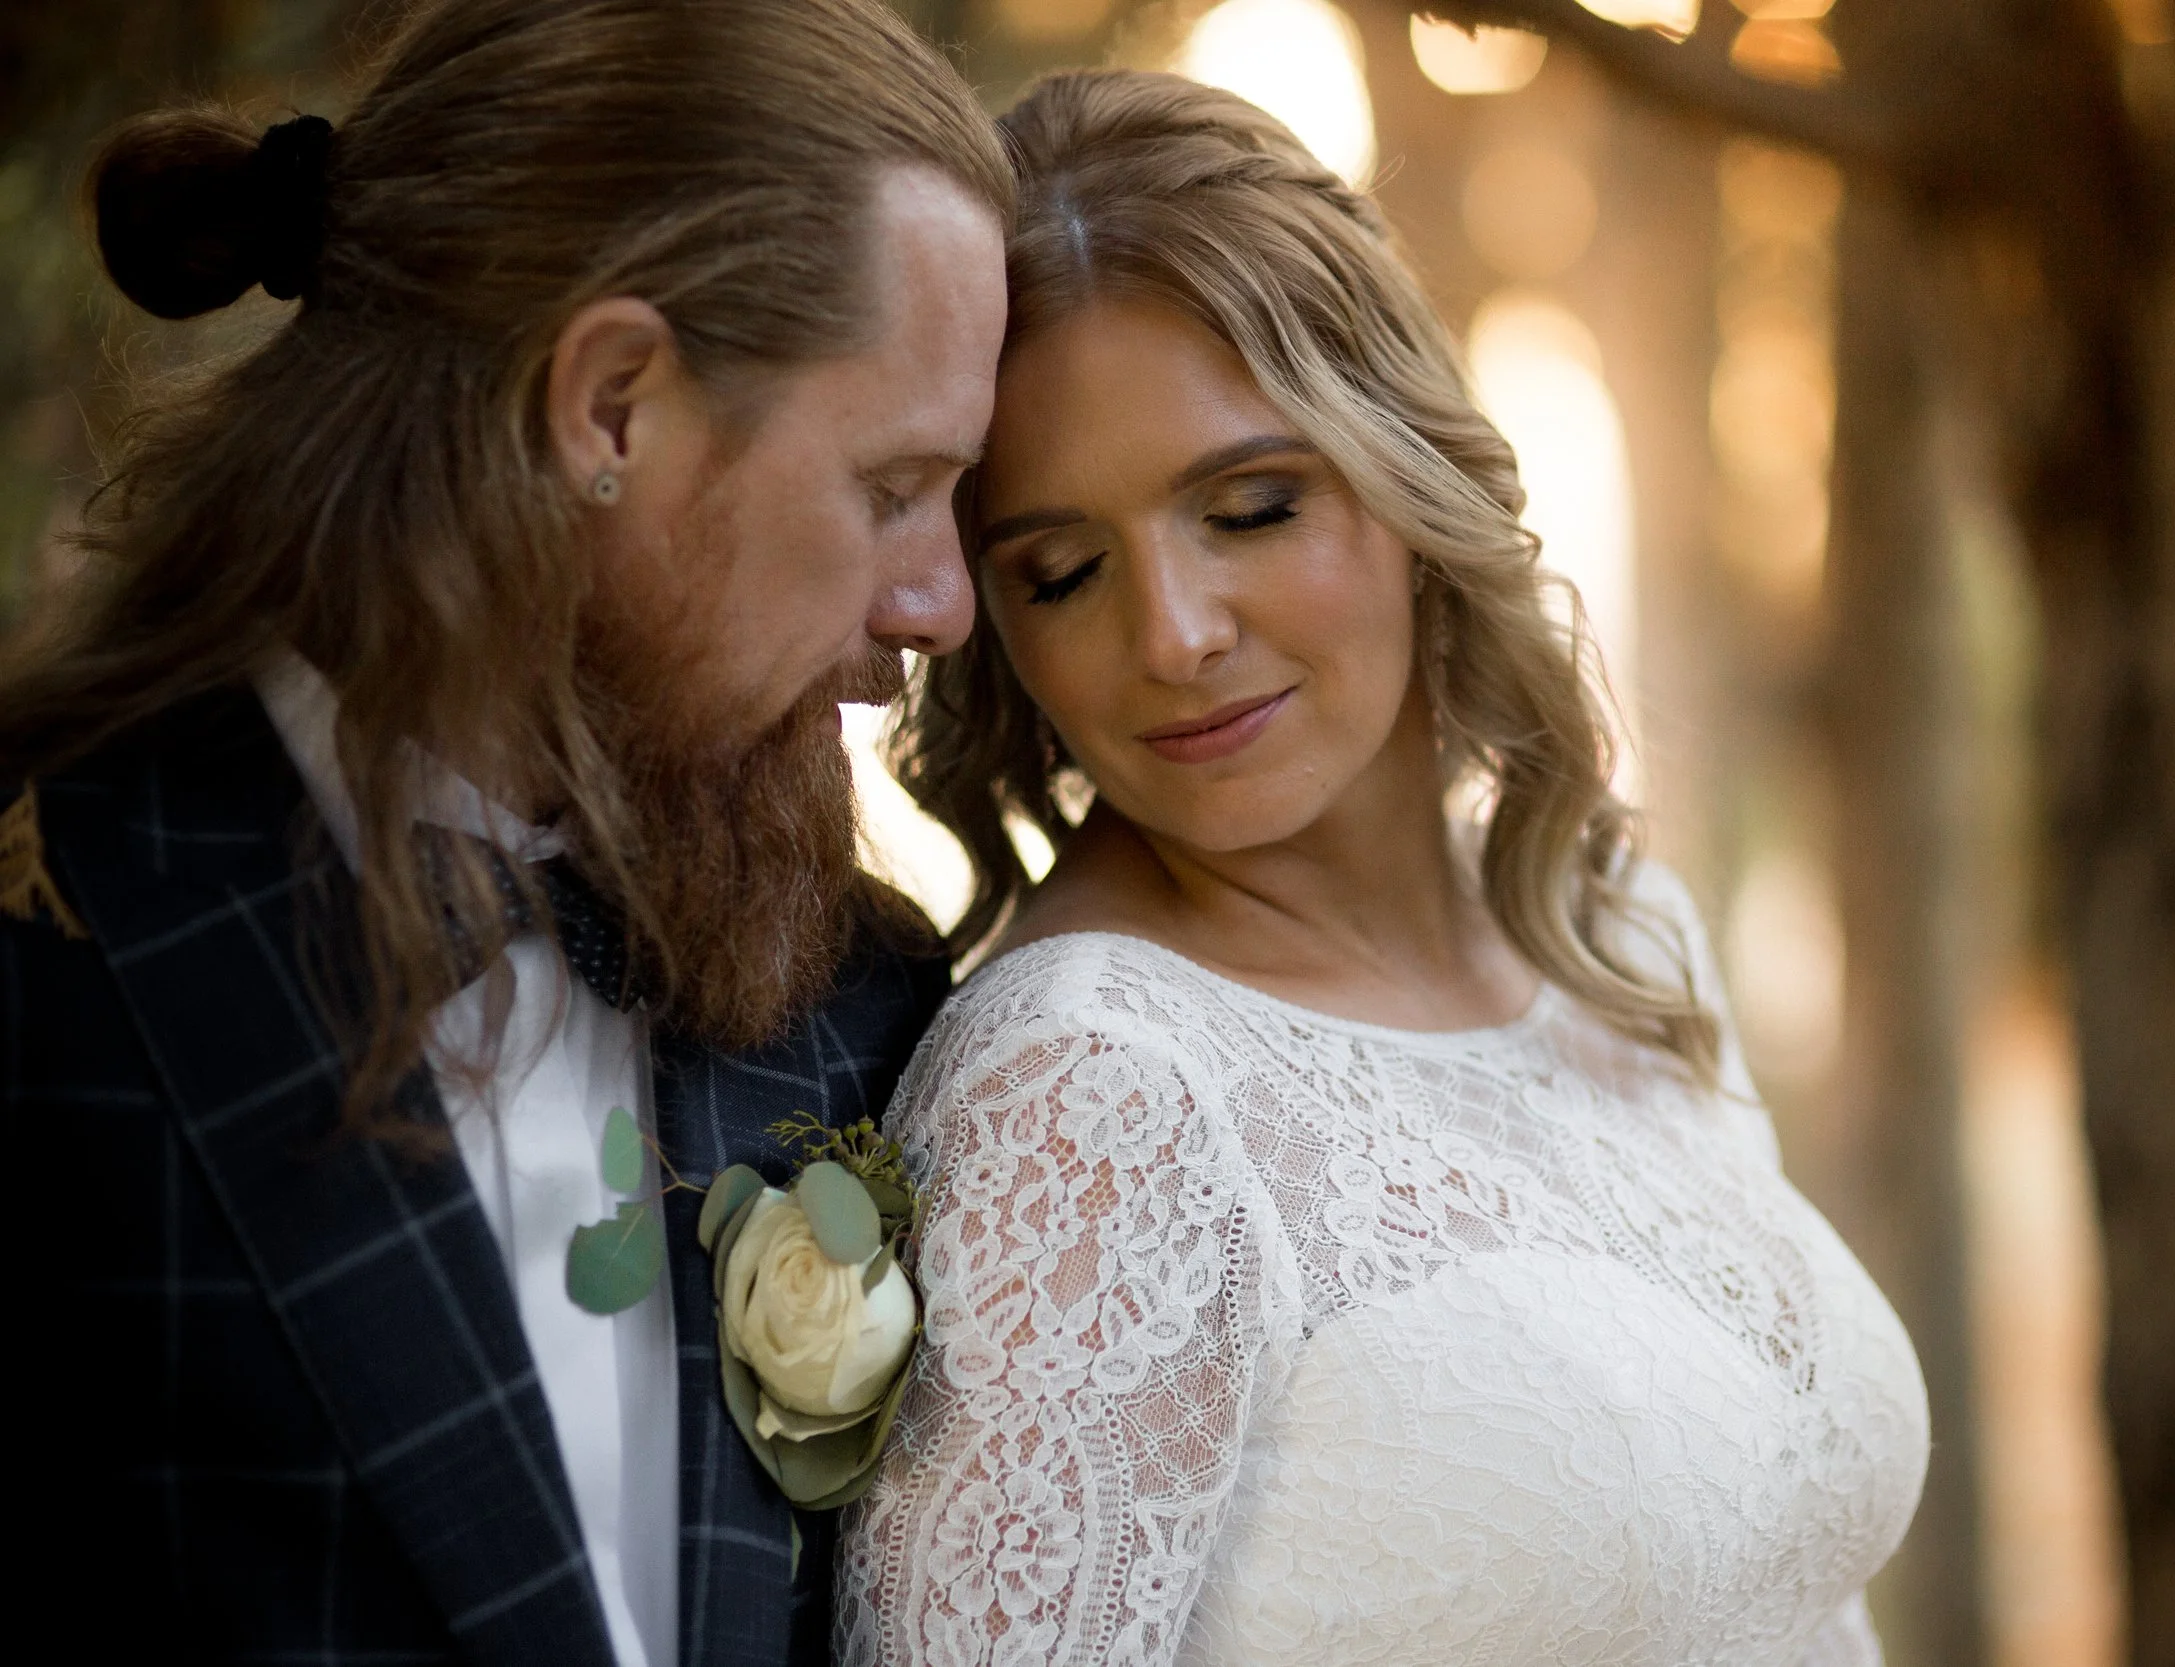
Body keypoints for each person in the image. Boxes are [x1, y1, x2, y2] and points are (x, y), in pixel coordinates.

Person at [837, 69, 1931, 1667]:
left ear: (1405, 467)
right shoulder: (1088, 1093)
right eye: (1063, 571)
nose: (1174, 634)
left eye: (1252, 506)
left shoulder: (1612, 929)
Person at [0, 3, 1007, 1663]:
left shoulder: (859, 1003)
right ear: (610, 405)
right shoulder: (49, 950)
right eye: (894, 485)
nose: (942, 601)